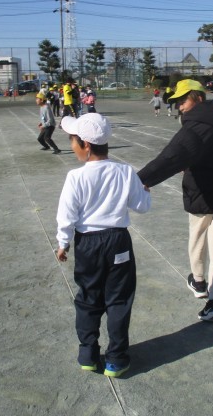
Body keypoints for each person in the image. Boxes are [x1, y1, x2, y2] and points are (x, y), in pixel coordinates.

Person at [137, 79, 213, 321]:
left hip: (203, 190)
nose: (180, 106)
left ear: (197, 97)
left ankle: (200, 284)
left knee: (200, 238)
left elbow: (174, 154)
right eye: (177, 102)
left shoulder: (198, 122)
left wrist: (141, 180)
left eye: (183, 100)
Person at [55, 113, 151, 378]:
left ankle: (88, 354)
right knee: (119, 299)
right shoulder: (125, 171)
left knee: (89, 297)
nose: (72, 145)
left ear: (86, 144)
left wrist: (63, 243)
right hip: (118, 242)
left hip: (88, 243)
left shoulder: (76, 177)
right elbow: (142, 206)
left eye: (73, 140)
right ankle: (116, 359)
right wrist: (145, 192)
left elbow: (66, 214)